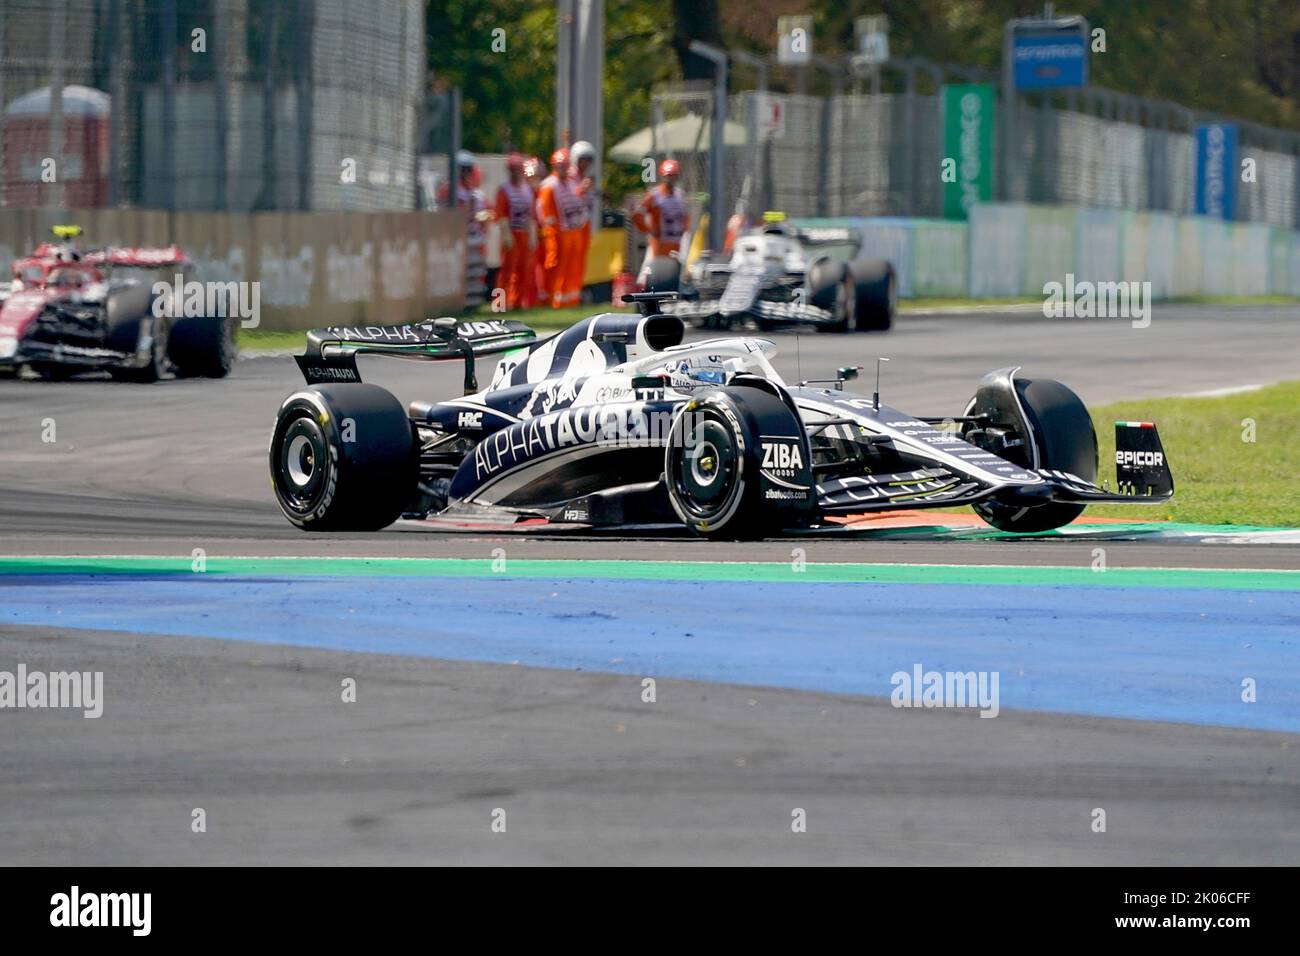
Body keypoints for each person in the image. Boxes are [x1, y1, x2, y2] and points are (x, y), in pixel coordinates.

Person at [536, 148, 584, 309]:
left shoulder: (571, 183)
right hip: (558, 232)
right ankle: (553, 299)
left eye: (565, 166)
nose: (563, 169)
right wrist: (551, 232)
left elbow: (578, 204)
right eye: (560, 166)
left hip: (572, 230)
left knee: (573, 266)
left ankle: (570, 299)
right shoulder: (549, 185)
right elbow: (545, 213)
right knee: (556, 265)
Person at [633, 159, 690, 284]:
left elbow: (685, 216)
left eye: (674, 176)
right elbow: (637, 214)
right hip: (659, 242)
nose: (671, 179)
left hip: (675, 241)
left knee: (675, 270)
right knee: (653, 270)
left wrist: (684, 229)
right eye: (668, 176)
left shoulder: (680, 195)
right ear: (663, 176)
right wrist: (650, 230)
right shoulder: (655, 195)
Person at [494, 153, 536, 311]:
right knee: (506, 270)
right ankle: (500, 304)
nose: (516, 172)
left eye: (518, 169)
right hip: (511, 233)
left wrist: (532, 236)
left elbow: (531, 215)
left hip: (524, 234)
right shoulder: (504, 189)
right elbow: (502, 214)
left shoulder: (527, 190)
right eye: (513, 169)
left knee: (524, 270)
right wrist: (506, 235)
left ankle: (519, 302)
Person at [565, 140, 598, 308]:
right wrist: (581, 190)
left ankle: (574, 297)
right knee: (568, 264)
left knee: (579, 264)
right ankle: (566, 299)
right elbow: (569, 200)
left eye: (588, 160)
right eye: (583, 159)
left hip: (583, 226)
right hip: (570, 227)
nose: (586, 163)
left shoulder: (585, 179)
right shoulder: (569, 177)